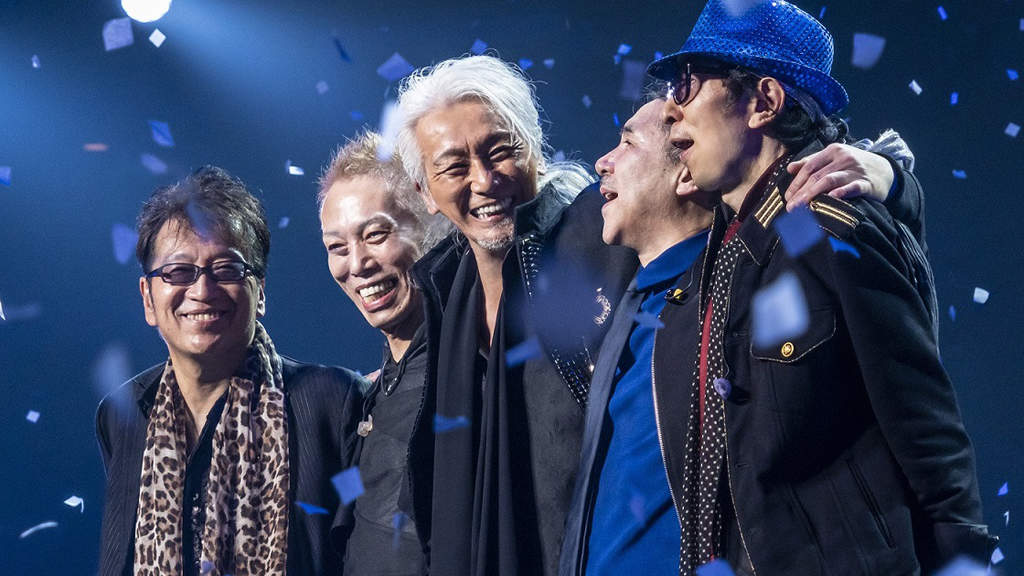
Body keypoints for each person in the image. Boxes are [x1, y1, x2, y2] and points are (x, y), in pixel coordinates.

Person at [648, 1, 996, 573]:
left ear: (764, 101)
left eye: (687, 85)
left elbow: (923, 421)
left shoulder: (826, 228)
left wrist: (964, 563)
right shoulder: (720, 249)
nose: (669, 109)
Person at [560, 89, 925, 575]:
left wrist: (895, 182)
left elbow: (913, 410)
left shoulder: (752, 291)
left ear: (685, 171)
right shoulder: (631, 297)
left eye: (628, 143)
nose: (602, 162)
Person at [395, 54, 639, 576]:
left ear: (534, 150)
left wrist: (833, 170)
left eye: (501, 151)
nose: (484, 180)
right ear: (425, 193)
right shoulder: (443, 296)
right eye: (454, 167)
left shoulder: (603, 237)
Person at [96, 166, 363, 576]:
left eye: (227, 269)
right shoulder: (123, 413)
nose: (203, 291)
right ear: (148, 298)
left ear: (260, 292)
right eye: (178, 272)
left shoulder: (332, 400)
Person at [318, 130, 440, 575]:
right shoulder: (371, 391)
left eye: (375, 234)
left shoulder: (469, 377)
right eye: (337, 247)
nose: (357, 264)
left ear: (427, 225)